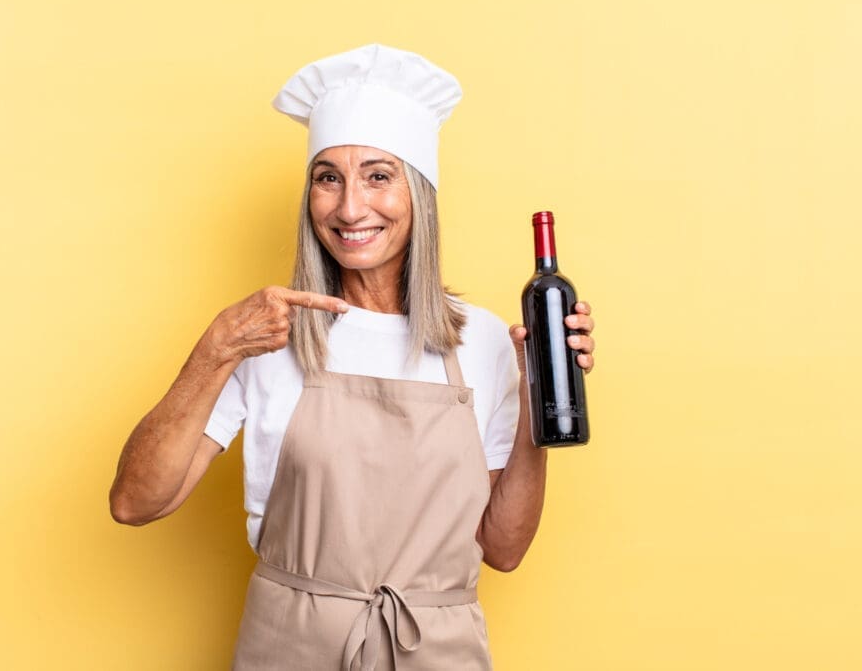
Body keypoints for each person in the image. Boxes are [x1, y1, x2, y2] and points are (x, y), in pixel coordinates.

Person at [109, 44, 597, 670]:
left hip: (435, 651)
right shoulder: (266, 335)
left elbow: (502, 549)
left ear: (418, 194)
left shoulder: (482, 343)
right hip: (290, 648)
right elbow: (135, 503)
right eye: (327, 178)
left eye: (377, 175)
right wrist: (216, 349)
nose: (349, 208)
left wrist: (537, 394)